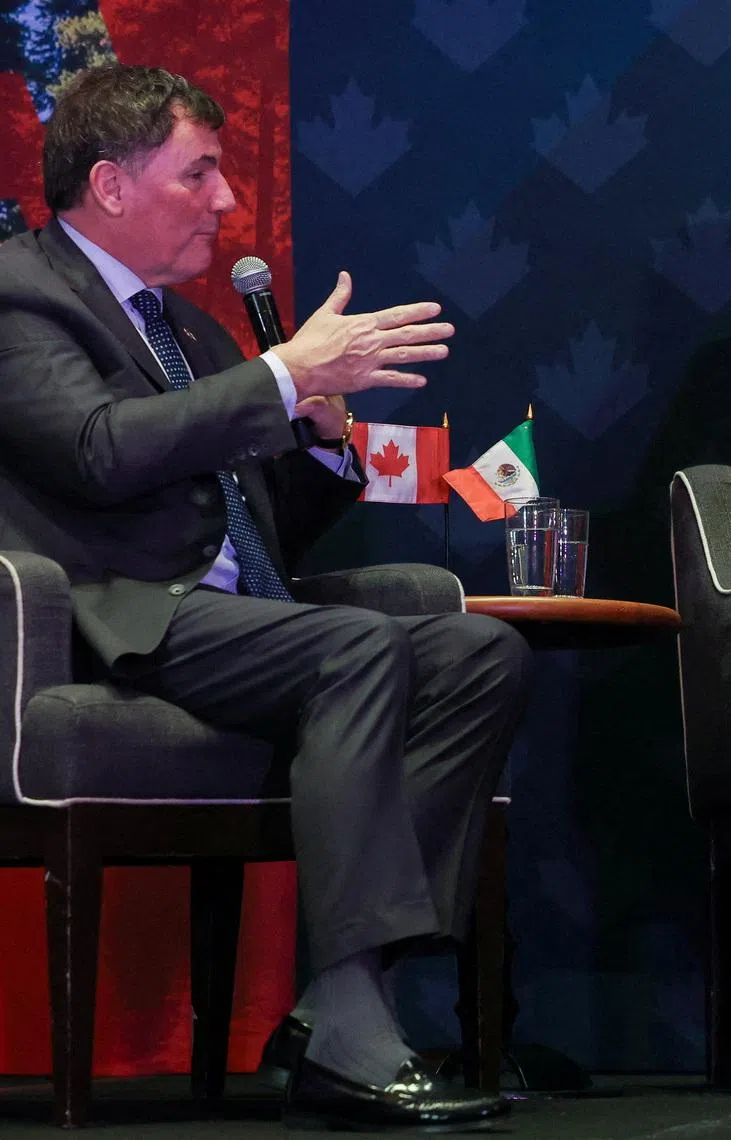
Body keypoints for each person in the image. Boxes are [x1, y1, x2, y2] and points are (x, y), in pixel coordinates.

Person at [0, 64, 531, 1128]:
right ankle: (347, 1022)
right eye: (199, 174)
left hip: (236, 620)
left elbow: (250, 527)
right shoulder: (20, 294)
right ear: (110, 183)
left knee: (480, 652)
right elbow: (100, 455)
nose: (228, 202)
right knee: (356, 649)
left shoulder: (190, 333)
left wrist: (322, 441)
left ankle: (342, 997)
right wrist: (282, 376)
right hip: (120, 615)